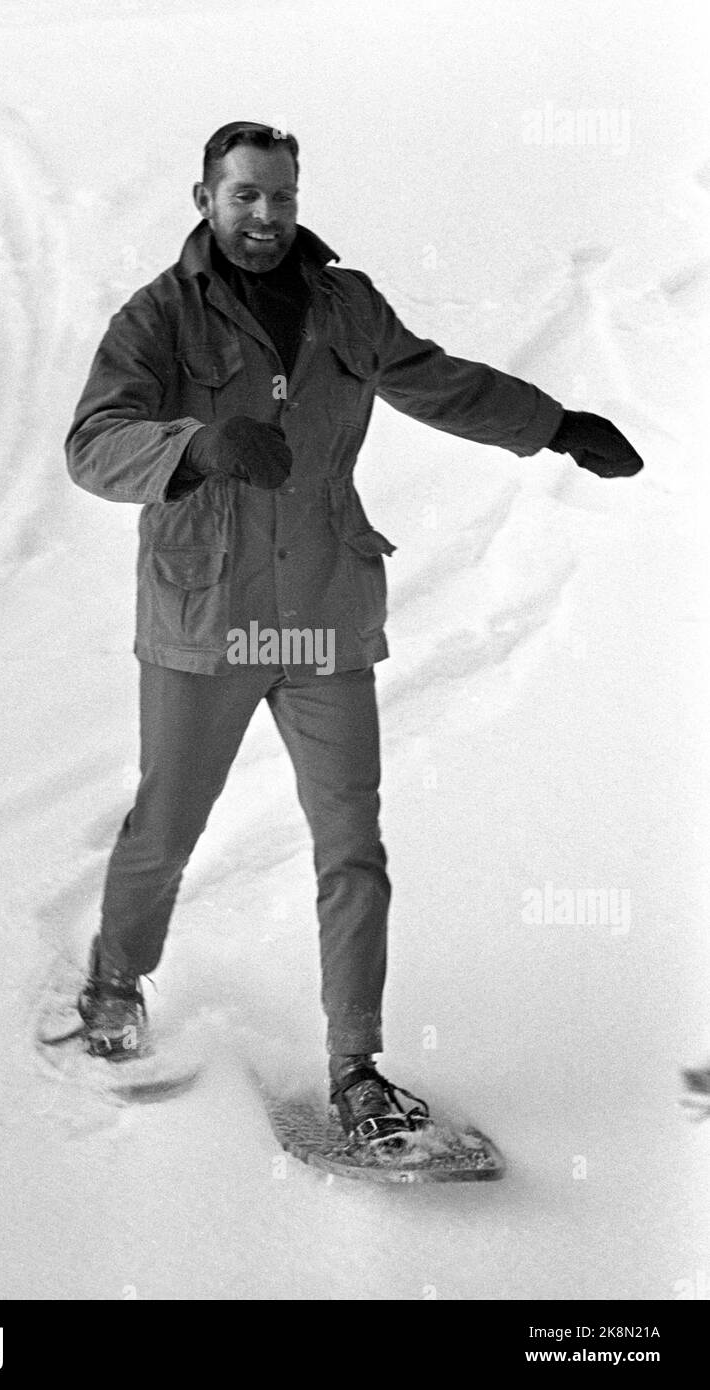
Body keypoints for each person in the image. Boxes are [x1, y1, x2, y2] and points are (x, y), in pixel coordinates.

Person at [64, 121, 643, 1154]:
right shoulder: (156, 319)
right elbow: (93, 445)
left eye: (281, 196)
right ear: (204, 198)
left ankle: (356, 1066)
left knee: (353, 847)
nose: (266, 217)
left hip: (326, 607)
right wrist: (194, 443)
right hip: (208, 616)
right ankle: (113, 982)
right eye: (244, 196)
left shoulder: (343, 305)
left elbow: (435, 378)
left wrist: (552, 425)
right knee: (168, 822)